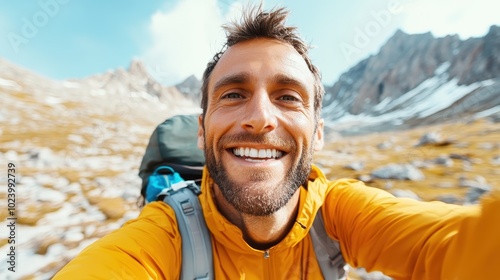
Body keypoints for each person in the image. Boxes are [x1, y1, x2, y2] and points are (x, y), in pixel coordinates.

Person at [54, 5, 500, 279]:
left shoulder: (342, 214)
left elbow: (464, 246)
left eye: (288, 96)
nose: (261, 119)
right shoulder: (162, 234)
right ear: (201, 127)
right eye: (233, 94)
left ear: (319, 132)